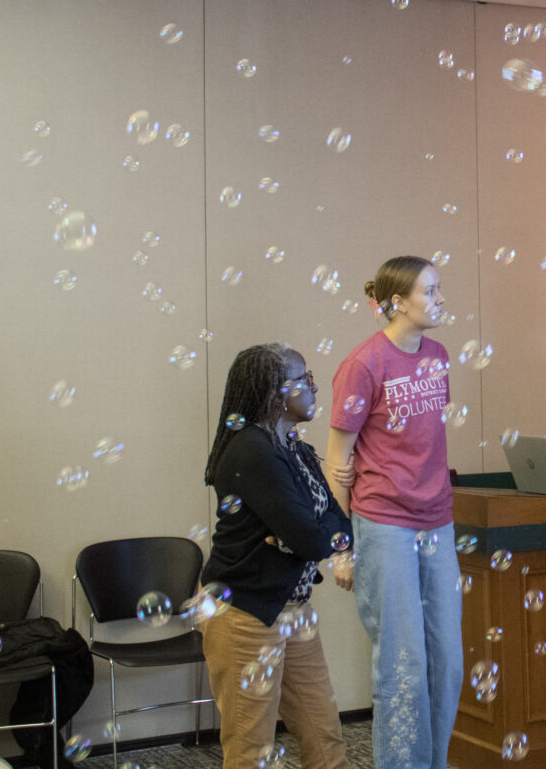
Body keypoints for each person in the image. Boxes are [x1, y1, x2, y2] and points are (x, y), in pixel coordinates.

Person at [325, 255, 460, 769]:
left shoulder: (440, 355)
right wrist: (342, 546)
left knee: (446, 662)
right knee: (402, 664)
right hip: (383, 524)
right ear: (397, 303)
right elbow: (338, 461)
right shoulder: (363, 365)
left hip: (438, 521)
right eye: (430, 291)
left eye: (439, 288)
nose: (441, 298)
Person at [200, 344, 353, 769]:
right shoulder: (253, 449)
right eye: (303, 379)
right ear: (274, 391)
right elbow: (314, 539)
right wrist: (309, 535)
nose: (314, 386)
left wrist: (305, 535)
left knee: (325, 737)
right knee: (252, 750)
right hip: (245, 610)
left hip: (293, 608)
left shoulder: (295, 448)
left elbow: (339, 524)